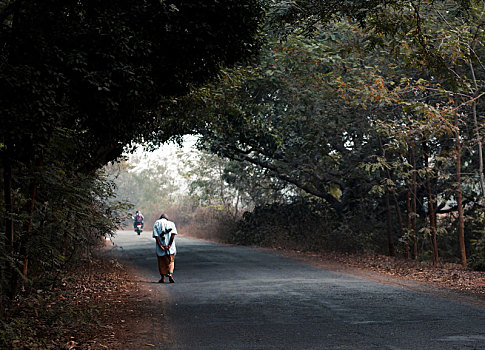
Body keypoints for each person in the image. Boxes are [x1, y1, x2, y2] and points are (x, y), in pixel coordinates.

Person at [153, 213, 177, 283]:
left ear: (160, 218)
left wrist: (160, 245)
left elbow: (156, 235)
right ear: (167, 219)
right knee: (171, 260)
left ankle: (162, 278)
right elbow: (173, 234)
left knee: (161, 261)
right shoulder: (171, 224)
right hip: (170, 247)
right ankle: (170, 274)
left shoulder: (157, 223)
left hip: (160, 247)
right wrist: (169, 245)